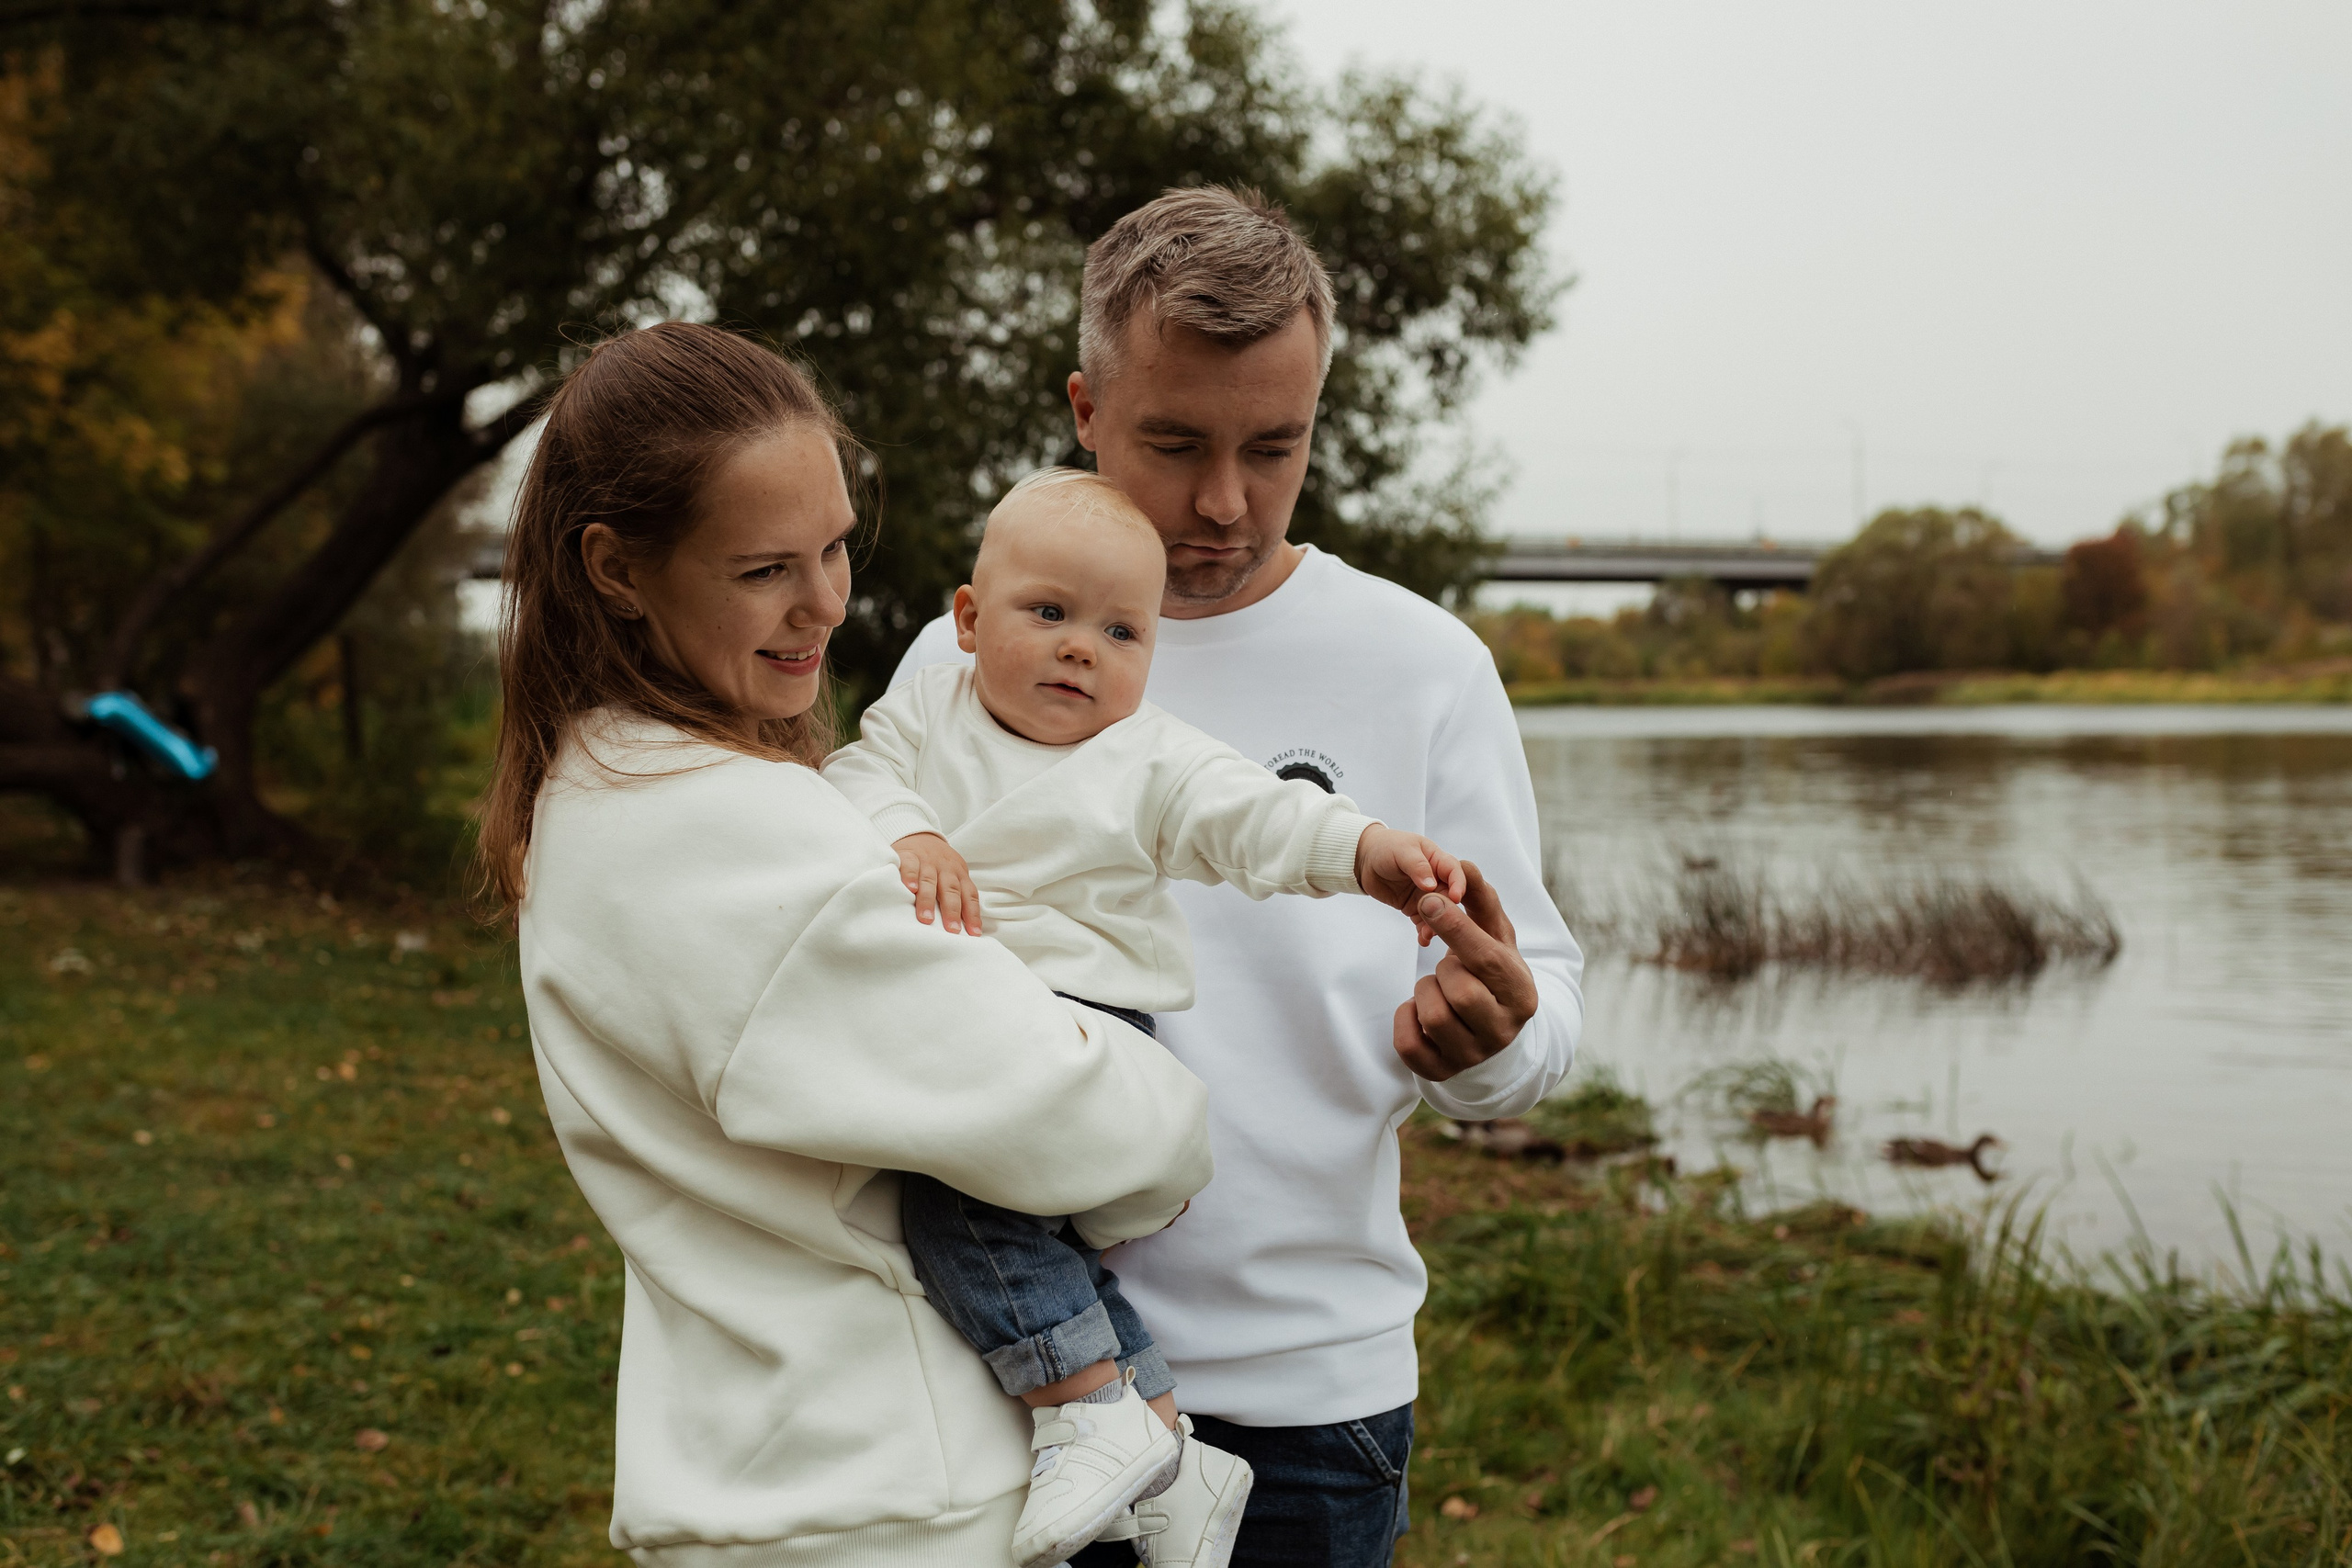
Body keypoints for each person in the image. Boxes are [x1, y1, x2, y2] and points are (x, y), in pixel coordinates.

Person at [890, 186, 1587, 1567]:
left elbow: (1545, 1011)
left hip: (1306, 1408)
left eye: (1277, 445)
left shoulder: (1425, 664)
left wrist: (1490, 1041)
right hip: (998, 1382)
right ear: (1086, 408)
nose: (1226, 500)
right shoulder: (959, 661)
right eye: (1175, 442)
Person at [477, 321, 1218, 1566]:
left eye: (833, 547)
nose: (826, 602)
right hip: (886, 1499)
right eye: (766, 565)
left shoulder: (593, 791)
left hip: (766, 1466)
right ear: (616, 564)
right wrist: (1175, 1110)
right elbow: (1081, 1117)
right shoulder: (730, 832)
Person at [821, 467, 1467, 1568]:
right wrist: (910, 833)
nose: (1082, 647)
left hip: (1087, 1022)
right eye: (1048, 614)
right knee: (1042, 1244)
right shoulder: (930, 706)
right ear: (969, 623)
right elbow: (855, 770)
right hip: (973, 1014)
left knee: (952, 1199)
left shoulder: (1149, 756)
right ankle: (1164, 1436)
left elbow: (1254, 818)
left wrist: (1363, 853)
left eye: (1121, 630)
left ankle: (1083, 1403)